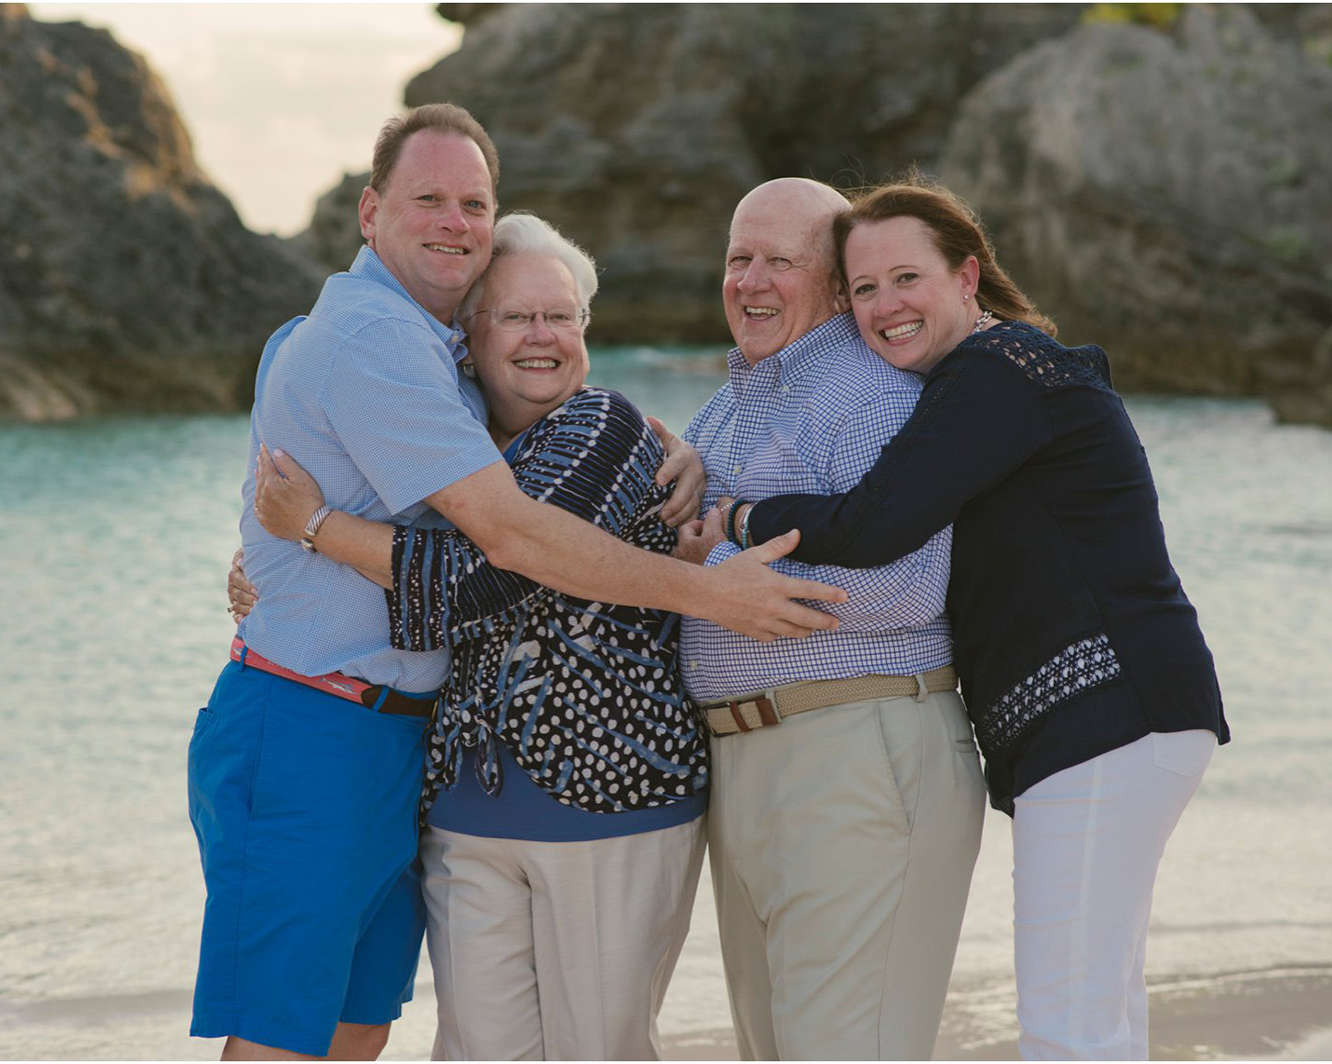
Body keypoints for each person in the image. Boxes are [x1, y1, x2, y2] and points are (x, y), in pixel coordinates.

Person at [189, 106, 843, 1062]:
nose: (455, 221)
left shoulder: (431, 358)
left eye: (474, 204)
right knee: (288, 1036)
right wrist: (705, 590)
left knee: (357, 1026)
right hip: (311, 725)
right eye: (430, 199)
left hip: (411, 750)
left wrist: (311, 535)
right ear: (371, 212)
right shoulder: (380, 341)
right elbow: (501, 539)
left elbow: (521, 474)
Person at [721, 179, 1230, 1059]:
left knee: (1066, 1025)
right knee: (1100, 1010)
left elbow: (878, 522)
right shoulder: (1003, 375)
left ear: (967, 277)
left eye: (906, 278)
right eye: (866, 288)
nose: (886, 306)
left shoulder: (998, 375)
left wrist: (733, 521)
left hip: (1109, 717)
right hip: (1120, 722)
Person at [246, 213, 708, 1059]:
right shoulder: (447, 449)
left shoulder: (602, 424)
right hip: (465, 810)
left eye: (562, 317)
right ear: (466, 339)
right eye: (517, 317)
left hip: (608, 802)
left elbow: (489, 576)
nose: (544, 336)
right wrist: (274, 572)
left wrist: (314, 525)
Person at [675, 177, 986, 1061]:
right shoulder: (726, 406)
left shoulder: (874, 398)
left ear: (836, 283)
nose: (752, 281)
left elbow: (908, 586)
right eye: (739, 259)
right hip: (742, 766)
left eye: (782, 261)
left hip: (856, 752)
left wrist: (718, 570)